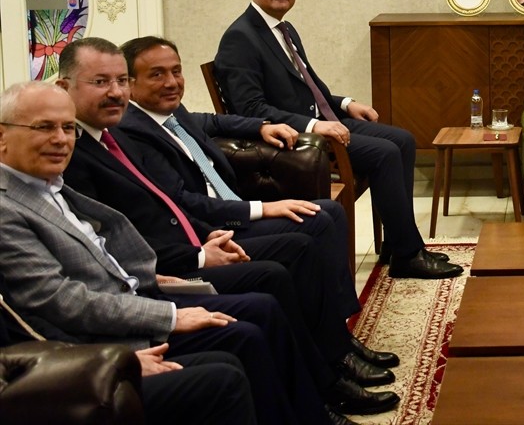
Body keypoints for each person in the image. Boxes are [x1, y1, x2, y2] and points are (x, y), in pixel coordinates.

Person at [54, 38, 397, 416]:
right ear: (64, 88)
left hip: (197, 237)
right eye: (102, 82)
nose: (116, 92)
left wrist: (262, 127)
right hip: (169, 266)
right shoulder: (88, 146)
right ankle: (326, 380)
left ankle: (335, 351)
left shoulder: (111, 132)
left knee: (318, 221)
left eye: (119, 81)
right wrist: (203, 250)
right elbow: (142, 227)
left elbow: (189, 159)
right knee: (286, 262)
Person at [0, 81, 359, 425]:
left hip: (145, 283)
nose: (61, 139)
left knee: (263, 305)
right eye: (44, 127)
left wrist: (155, 276)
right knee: (239, 344)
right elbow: (56, 300)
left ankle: (323, 387)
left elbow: (106, 248)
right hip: (102, 337)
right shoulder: (10, 205)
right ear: (2, 136)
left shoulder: (47, 183)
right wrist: (166, 316)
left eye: (66, 128)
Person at [214, 0, 461, 280]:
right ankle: (407, 255)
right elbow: (251, 110)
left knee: (402, 139)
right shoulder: (241, 38)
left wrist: (345, 104)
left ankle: (395, 242)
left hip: (320, 123)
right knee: (384, 154)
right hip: (293, 140)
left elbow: (310, 87)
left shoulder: (283, 28)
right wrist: (317, 126)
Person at [0, 278, 256, 425]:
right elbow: (62, 301)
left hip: (68, 359)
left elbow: (29, 327)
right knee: (223, 380)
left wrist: (105, 358)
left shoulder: (58, 190)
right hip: (38, 394)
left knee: (225, 360)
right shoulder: (9, 208)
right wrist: (104, 365)